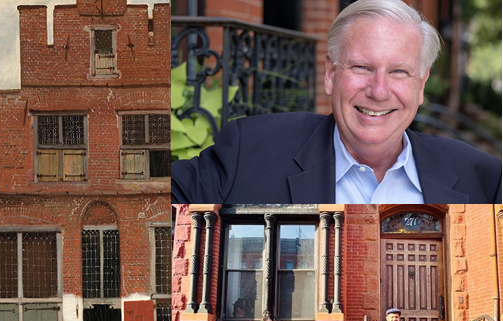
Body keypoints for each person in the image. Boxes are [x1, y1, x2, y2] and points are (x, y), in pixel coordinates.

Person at [171, 0, 501, 204]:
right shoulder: (250, 152)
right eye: (362, 67)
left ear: (421, 85)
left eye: (399, 72)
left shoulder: (485, 178)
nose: (379, 90)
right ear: (331, 73)